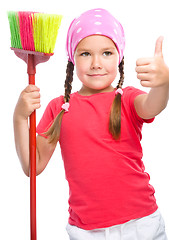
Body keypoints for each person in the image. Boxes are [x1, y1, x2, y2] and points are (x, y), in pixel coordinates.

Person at [13, 8, 169, 240]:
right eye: (85, 54)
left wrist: (163, 84)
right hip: (86, 231)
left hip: (140, 225)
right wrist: (19, 117)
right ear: (72, 59)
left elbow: (152, 105)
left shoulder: (126, 98)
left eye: (106, 53)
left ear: (120, 56)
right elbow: (32, 166)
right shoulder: (59, 108)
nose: (96, 63)